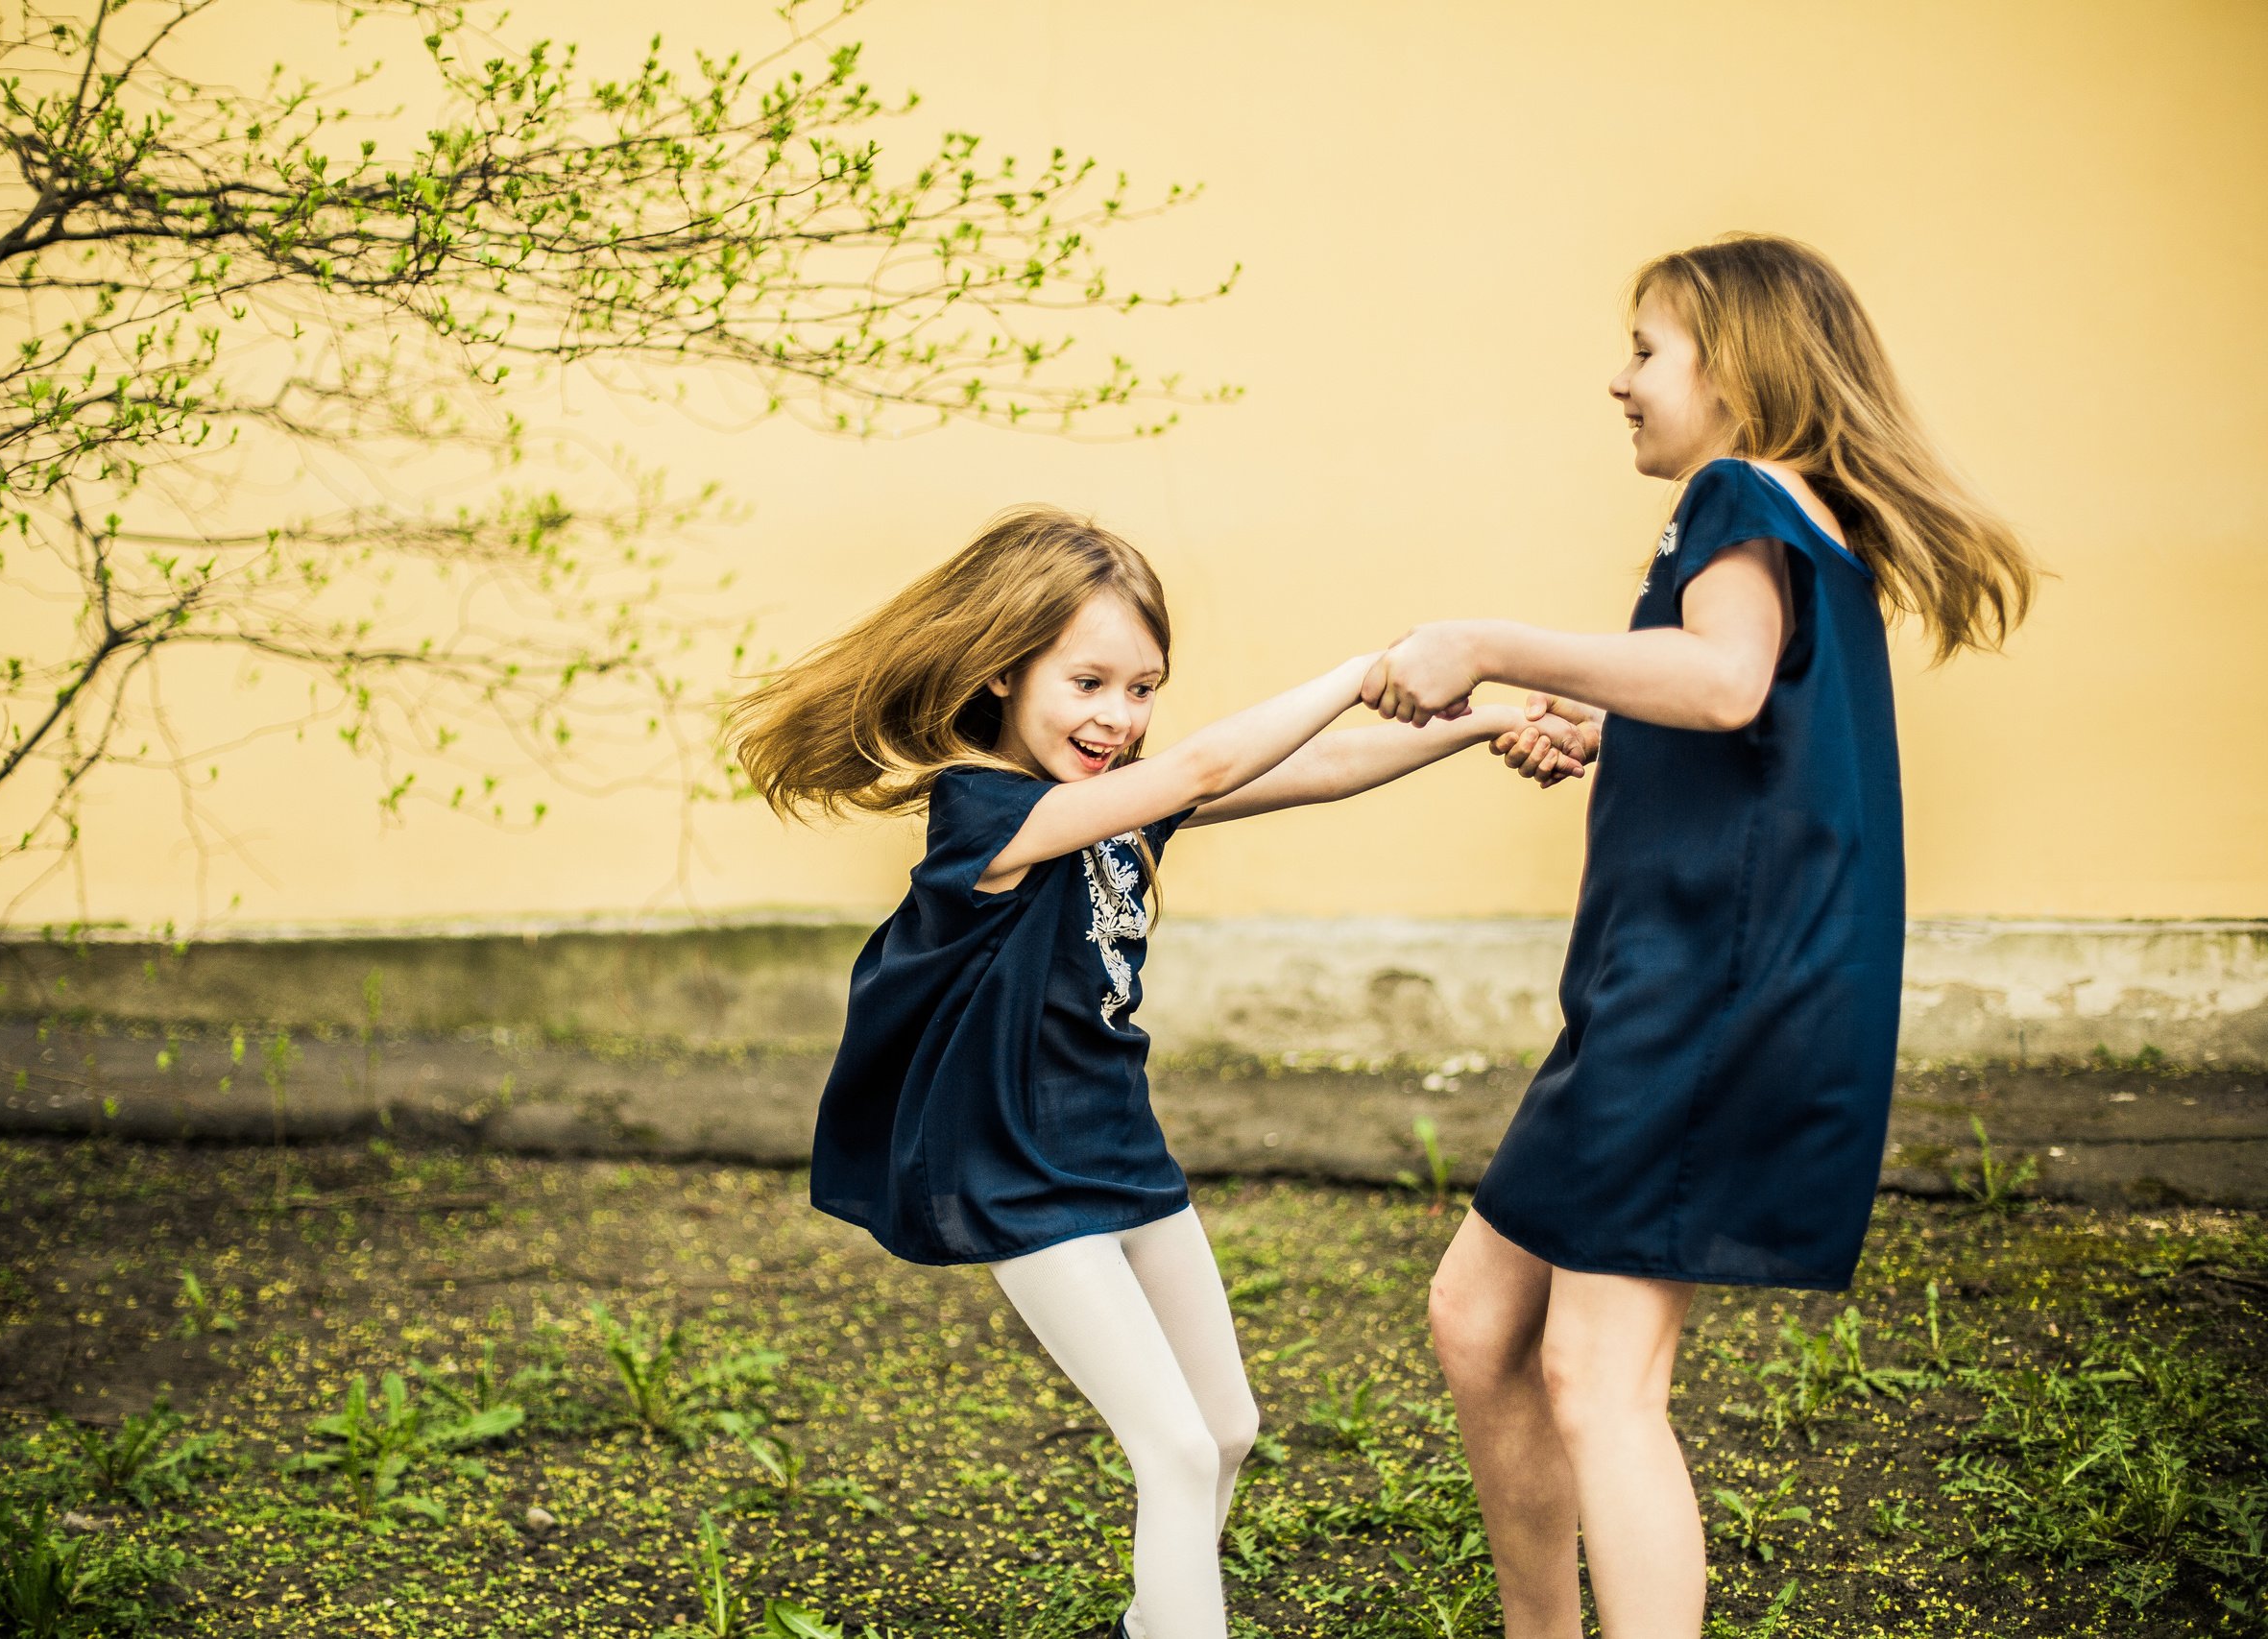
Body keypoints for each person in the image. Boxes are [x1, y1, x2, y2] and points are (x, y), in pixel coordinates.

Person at [727, 507, 1581, 1639]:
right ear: (999, 673)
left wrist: (1483, 721)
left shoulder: (1122, 806)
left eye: (1141, 690)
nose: (1117, 719)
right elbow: (1210, 760)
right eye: (1087, 683)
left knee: (1225, 1427)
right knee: (1173, 1451)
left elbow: (1315, 766)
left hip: (1118, 1150)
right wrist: (1373, 667)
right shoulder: (985, 811)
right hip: (1014, 1170)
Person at [1363, 232, 2039, 1639]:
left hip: (1704, 1003)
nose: (1619, 381)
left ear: (1737, 369)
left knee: (1601, 1376)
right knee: (1481, 1318)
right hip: (1664, 997)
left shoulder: (1741, 489)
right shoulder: (1799, 520)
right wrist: (1611, 726)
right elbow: (1755, 715)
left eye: (1646, 349)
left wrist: (1487, 639)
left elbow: (1727, 682)